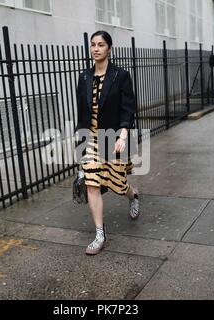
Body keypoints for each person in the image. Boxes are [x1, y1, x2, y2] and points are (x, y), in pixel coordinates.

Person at [75, 31, 140, 255]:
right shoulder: (84, 77)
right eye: (93, 45)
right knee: (92, 184)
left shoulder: (120, 76)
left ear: (109, 48)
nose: (95, 49)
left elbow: (128, 108)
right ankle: (100, 233)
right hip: (91, 140)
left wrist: (123, 136)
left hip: (113, 138)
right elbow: (81, 114)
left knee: (118, 185)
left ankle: (133, 196)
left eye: (101, 45)